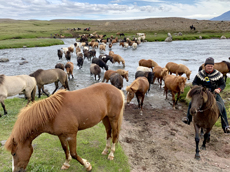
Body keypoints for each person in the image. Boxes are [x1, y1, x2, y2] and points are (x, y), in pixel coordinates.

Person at [182, 57, 230, 133]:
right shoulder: (200, 74)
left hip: (213, 94)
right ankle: (188, 118)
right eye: (208, 66)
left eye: (211, 66)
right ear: (205, 66)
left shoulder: (218, 74)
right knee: (192, 103)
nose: (210, 67)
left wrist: (219, 89)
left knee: (222, 106)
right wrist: (198, 88)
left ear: (213, 66)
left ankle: (226, 126)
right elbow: (194, 83)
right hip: (201, 93)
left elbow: (222, 84)